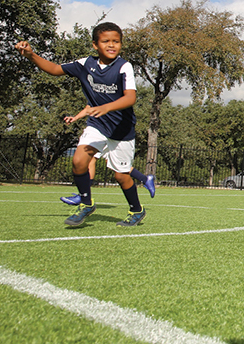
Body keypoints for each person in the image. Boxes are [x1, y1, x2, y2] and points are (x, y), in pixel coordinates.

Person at [16, 22, 156, 227]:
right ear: (94, 45)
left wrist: (106, 108)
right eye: (106, 41)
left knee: (121, 176)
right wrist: (31, 55)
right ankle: (86, 202)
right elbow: (55, 69)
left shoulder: (124, 66)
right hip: (97, 124)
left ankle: (136, 209)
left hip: (121, 130)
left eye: (116, 41)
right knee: (79, 159)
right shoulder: (85, 64)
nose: (111, 45)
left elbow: (130, 98)